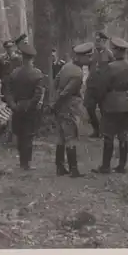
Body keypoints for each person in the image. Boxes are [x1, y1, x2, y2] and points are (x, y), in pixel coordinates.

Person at [92, 37, 128, 174]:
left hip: (112, 103)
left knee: (109, 135)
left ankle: (106, 166)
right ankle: (122, 166)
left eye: (114, 49)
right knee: (123, 135)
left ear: (116, 51)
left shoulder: (109, 67)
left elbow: (102, 87)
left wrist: (99, 100)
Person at [51, 42, 94, 178]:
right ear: (81, 57)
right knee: (71, 137)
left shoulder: (66, 66)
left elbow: (55, 83)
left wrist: (54, 102)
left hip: (60, 105)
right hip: (68, 106)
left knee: (61, 136)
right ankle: (73, 169)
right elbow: (67, 92)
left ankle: (59, 166)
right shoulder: (78, 73)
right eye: (88, 57)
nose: (90, 60)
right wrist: (57, 103)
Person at [4, 43, 46, 171]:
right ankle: (26, 163)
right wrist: (30, 105)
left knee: (20, 134)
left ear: (22, 57)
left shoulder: (14, 73)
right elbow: (38, 94)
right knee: (28, 135)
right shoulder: (37, 73)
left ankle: (23, 162)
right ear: (32, 58)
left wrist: (13, 105)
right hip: (30, 109)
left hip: (17, 107)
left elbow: (8, 91)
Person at [84, 31, 114, 138]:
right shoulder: (91, 54)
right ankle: (96, 129)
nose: (96, 43)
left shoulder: (109, 54)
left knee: (104, 109)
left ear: (104, 41)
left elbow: (113, 69)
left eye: (99, 41)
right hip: (92, 85)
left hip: (103, 87)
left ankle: (105, 131)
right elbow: (89, 67)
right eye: (95, 41)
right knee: (89, 106)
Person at [0, 40, 22, 142]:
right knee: (8, 108)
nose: (9, 49)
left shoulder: (18, 58)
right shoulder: (2, 59)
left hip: (16, 87)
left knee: (16, 108)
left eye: (11, 47)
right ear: (5, 48)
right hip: (6, 87)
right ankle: (8, 131)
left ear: (14, 47)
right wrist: (4, 80)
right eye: (7, 47)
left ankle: (15, 131)